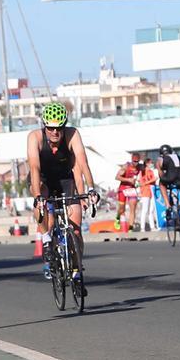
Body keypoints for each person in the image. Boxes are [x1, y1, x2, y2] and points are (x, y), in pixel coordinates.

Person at [26, 102, 97, 286]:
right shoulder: (35, 137)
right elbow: (34, 166)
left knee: (75, 227)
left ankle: (76, 269)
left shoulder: (72, 134)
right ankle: (47, 239)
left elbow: (82, 162)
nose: (55, 133)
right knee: (43, 206)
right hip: (42, 179)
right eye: (50, 128)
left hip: (65, 180)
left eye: (59, 128)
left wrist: (90, 189)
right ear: (44, 126)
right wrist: (38, 198)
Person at [158, 144, 180, 241]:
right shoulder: (179, 157)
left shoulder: (162, 159)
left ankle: (167, 204)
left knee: (161, 183)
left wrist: (163, 175)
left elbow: (160, 173)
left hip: (171, 177)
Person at [114, 153, 142, 231]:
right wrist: (128, 180)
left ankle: (130, 228)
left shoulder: (140, 167)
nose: (136, 163)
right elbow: (117, 177)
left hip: (132, 189)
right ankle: (117, 217)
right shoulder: (126, 166)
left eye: (137, 161)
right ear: (131, 160)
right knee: (122, 209)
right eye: (134, 161)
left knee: (133, 208)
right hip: (123, 188)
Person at [138, 158, 158, 231]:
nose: (151, 164)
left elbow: (154, 178)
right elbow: (141, 181)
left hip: (151, 190)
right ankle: (142, 227)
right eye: (150, 163)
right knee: (145, 210)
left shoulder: (151, 171)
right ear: (147, 163)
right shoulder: (142, 172)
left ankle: (152, 226)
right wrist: (150, 181)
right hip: (145, 191)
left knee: (151, 210)